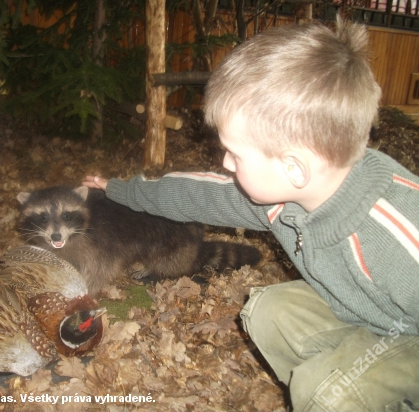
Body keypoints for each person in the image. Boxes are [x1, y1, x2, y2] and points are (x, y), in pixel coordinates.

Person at [83, 17, 419, 411]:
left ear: (294, 168)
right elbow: (197, 194)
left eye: (236, 154)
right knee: (265, 311)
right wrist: (120, 190)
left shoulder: (394, 232)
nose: (225, 163)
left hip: (409, 336)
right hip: (369, 318)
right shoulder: (284, 196)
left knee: (327, 392)